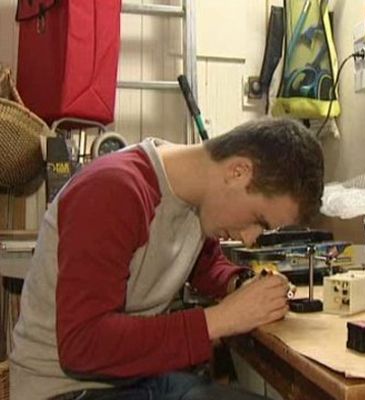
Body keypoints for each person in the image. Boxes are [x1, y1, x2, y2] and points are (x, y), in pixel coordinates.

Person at [10, 117, 325, 400]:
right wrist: (221, 319)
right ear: (237, 171)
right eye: (258, 219)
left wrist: (239, 284)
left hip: (132, 380)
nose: (250, 237)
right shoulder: (114, 191)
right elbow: (83, 345)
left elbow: (205, 265)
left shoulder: (193, 199)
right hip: (66, 389)